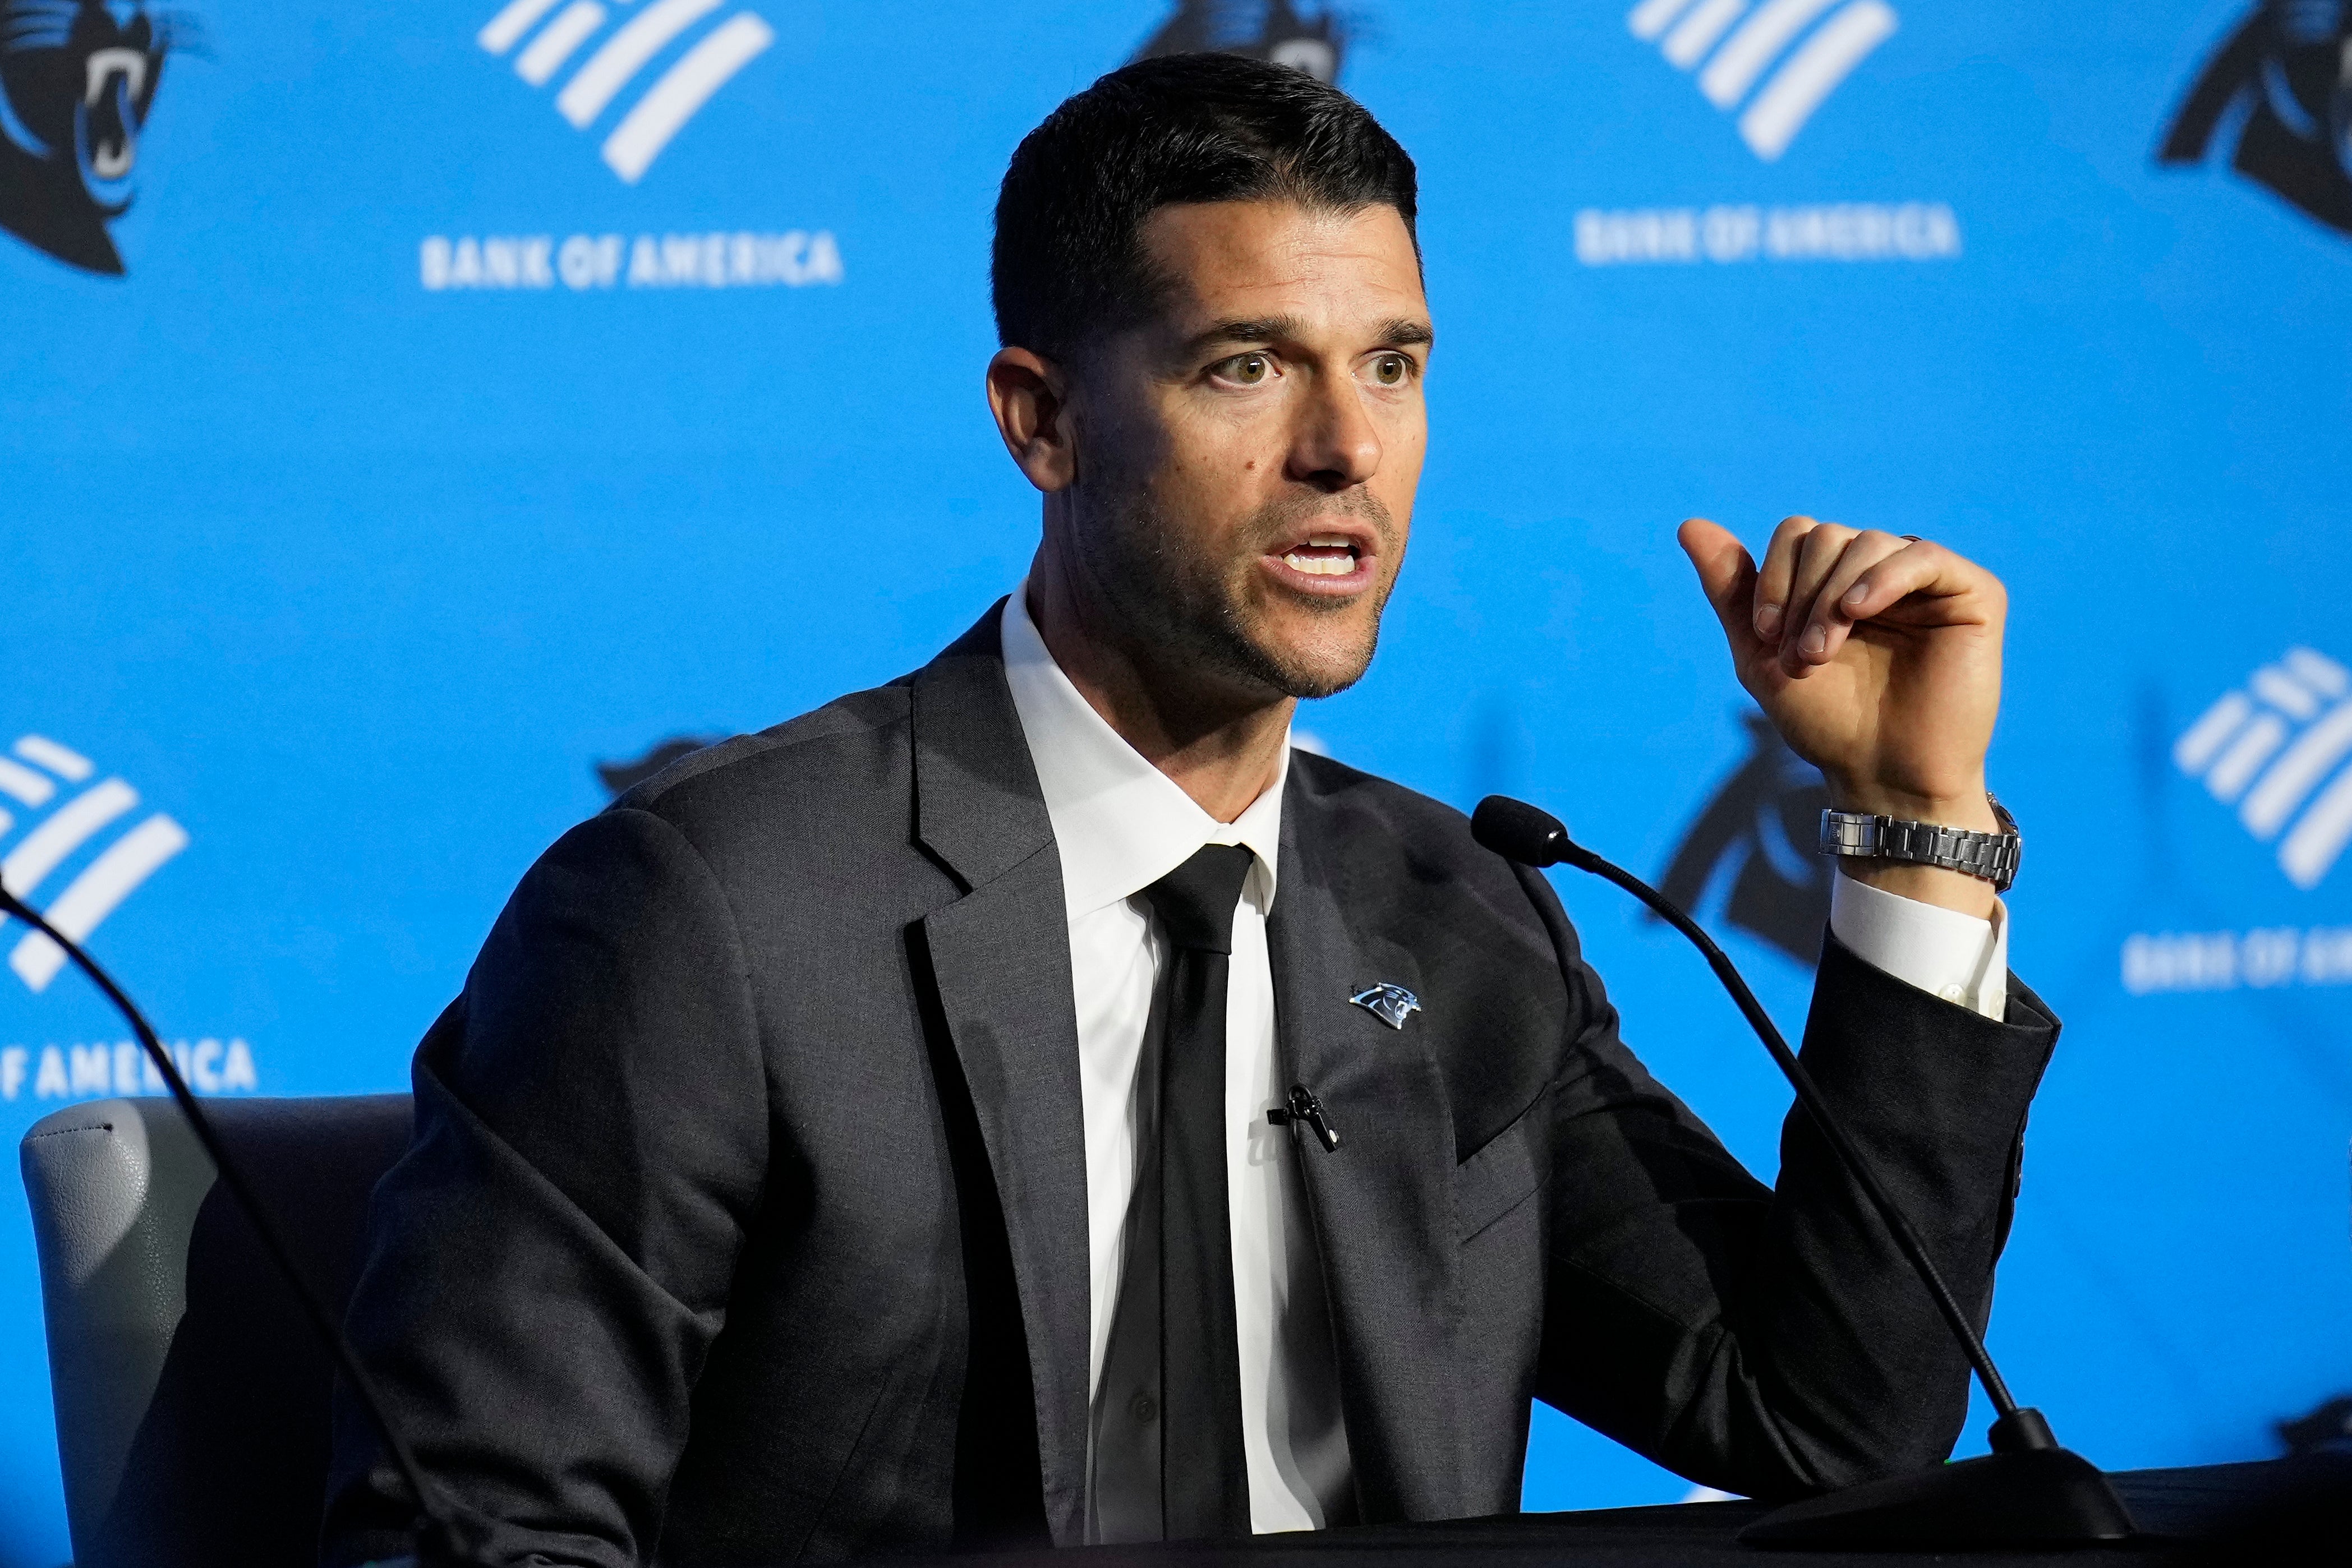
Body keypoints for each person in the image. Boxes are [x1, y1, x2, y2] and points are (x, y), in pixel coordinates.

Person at [323, 53, 2055, 1568]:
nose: (1343, 450)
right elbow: (477, 1536)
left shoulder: (1458, 918)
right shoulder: (711, 913)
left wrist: (1912, 818)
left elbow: (1825, 1432)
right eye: (1246, 366)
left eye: (1391, 365)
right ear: (1043, 422)